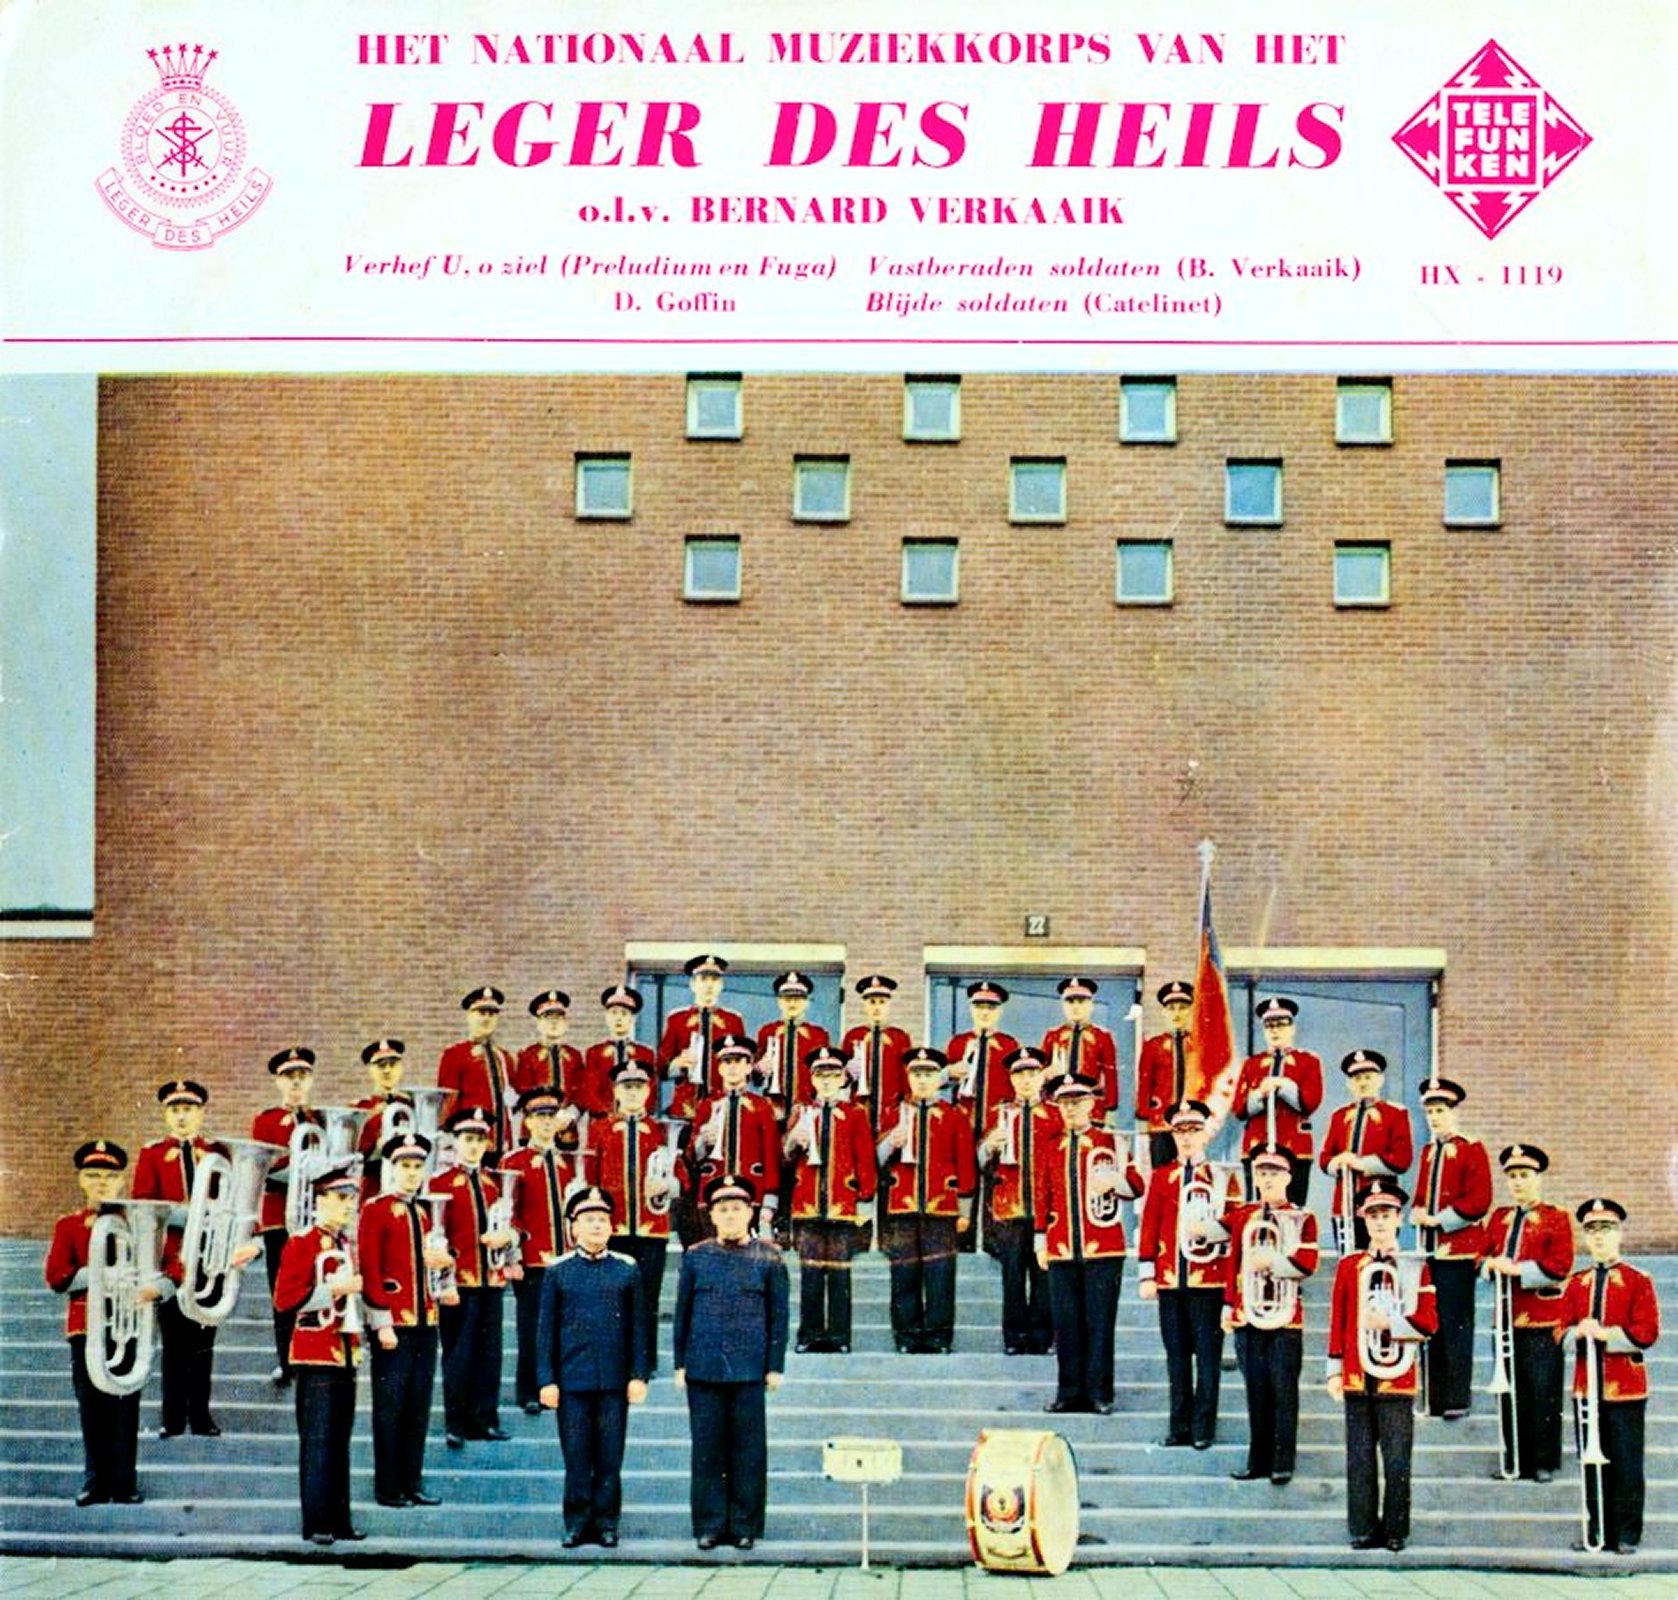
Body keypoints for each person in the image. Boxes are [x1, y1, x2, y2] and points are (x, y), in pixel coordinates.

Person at [131, 1079, 257, 1438]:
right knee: (173, 1345)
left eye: (188, 1109)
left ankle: (200, 1416)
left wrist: (249, 1241)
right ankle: (172, 1419)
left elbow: (235, 1202)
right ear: (165, 1115)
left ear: (201, 1113)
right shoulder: (153, 1154)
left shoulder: (217, 1152)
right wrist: (195, 1215)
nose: (182, 1116)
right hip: (171, 1263)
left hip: (209, 1263)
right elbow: (145, 1208)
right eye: (175, 1109)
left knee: (203, 1345)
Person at [673, 1175, 790, 1551]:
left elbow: (778, 1317)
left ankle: (744, 1525)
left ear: (749, 1212)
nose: (729, 1215)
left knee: (748, 1450)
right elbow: (682, 1313)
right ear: (712, 1215)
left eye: (736, 1208)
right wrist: (680, 1362)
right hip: (704, 1368)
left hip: (749, 1369)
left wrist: (774, 1366)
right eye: (722, 1209)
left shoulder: (769, 1257)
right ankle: (709, 1525)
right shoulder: (696, 1256)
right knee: (707, 1449)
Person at [1327, 1178, 1438, 1553]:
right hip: (1358, 1376)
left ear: (1399, 1218)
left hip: (1397, 1378)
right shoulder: (1349, 1266)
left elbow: (1429, 1322)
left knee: (1396, 1459)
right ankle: (1362, 1528)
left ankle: (1395, 1530)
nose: (1379, 1221)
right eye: (1372, 1214)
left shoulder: (1415, 1265)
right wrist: (1334, 1370)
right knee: (1359, 1458)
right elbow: (1339, 1320)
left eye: (1386, 1214)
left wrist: (1389, 1324)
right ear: (1363, 1218)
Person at [537, 1186, 651, 1549]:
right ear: (574, 1227)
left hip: (614, 1381)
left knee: (609, 1456)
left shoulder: (626, 1270)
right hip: (572, 1381)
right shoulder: (559, 1271)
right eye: (588, 1219)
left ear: (612, 1227)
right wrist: (546, 1379)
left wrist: (638, 1375)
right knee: (576, 1455)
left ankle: (606, 1523)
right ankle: (576, 1522)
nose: (597, 1225)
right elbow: (545, 1331)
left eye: (602, 1219)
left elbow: (639, 1328)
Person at [44, 1140, 149, 1506]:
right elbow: (57, 1276)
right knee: (91, 1406)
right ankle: (95, 1481)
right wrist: (103, 1274)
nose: (101, 1182)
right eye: (93, 1175)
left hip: (127, 1323)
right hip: (86, 1327)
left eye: (109, 1176)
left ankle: (125, 1482)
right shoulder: (69, 1225)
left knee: (125, 1403)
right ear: (81, 1180)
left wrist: (151, 1286)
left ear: (121, 1181)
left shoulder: (138, 1223)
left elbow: (161, 1268)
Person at [1556, 1196, 1661, 1555]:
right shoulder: (1577, 1283)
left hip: (1624, 1388)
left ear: (1619, 1233)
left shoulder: (1638, 1280)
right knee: (1591, 1461)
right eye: (1592, 1230)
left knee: (1627, 1463)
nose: (1599, 1237)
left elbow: (1647, 1331)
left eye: (1606, 1229)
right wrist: (1578, 1333)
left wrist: (1604, 1334)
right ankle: (1597, 1529)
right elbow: (1559, 1331)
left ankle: (1627, 1534)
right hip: (1587, 1387)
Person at [1033, 1075, 1144, 1414]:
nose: (1070, 1109)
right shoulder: (1050, 1145)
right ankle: (1068, 1392)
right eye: (1064, 1103)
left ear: (1091, 1104)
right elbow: (1042, 1195)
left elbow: (1137, 1186)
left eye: (1077, 1102)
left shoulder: (1110, 1141)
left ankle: (1099, 1393)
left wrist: (1115, 1181)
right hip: (1062, 1247)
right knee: (1066, 1324)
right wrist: (1040, 1241)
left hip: (1105, 1248)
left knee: (1099, 1323)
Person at [272, 1162, 365, 1546]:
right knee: (319, 1443)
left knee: (339, 1443)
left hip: (344, 1353)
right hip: (315, 1355)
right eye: (340, 1199)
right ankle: (317, 1523)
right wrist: (335, 1289)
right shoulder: (302, 1242)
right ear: (320, 1200)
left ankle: (340, 1521)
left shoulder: (344, 1244)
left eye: (351, 1200)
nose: (347, 1206)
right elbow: (284, 1299)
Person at [1138, 1099, 1237, 1449]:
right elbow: (1150, 1225)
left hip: (1209, 1282)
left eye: (1193, 1130)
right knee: (1176, 1357)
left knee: (1208, 1360)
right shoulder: (1162, 1176)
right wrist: (1147, 1273)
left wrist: (1211, 1231)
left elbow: (1234, 1228)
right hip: (1170, 1281)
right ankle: (1179, 1425)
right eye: (1180, 1131)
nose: (1186, 1137)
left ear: (1205, 1133)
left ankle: (1203, 1428)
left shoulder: (1222, 1177)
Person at [357, 1131, 448, 1510]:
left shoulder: (425, 1212)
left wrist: (445, 1266)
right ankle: (388, 1486)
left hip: (426, 1323)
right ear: (392, 1169)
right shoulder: (376, 1209)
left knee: (417, 1408)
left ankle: (412, 1482)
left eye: (417, 1166)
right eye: (405, 1166)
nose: (412, 1173)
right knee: (390, 1408)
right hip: (393, 1326)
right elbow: (370, 1268)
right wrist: (381, 1322)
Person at [1222, 1143, 1320, 1486]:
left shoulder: (1303, 1217)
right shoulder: (1244, 1216)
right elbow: (1233, 1263)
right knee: (1256, 1391)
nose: (1266, 1179)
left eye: (1274, 1173)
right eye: (1261, 1173)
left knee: (1283, 1390)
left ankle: (1282, 1462)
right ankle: (1258, 1461)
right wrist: (1228, 1305)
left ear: (1289, 1177)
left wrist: (1273, 1262)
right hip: (1248, 1314)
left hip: (1285, 1317)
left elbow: (1307, 1264)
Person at [1480, 1143, 1572, 1483]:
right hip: (1506, 1319)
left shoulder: (1555, 1217)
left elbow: (1560, 1265)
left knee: (1543, 1392)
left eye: (1525, 1175)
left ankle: (1544, 1461)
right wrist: (1490, 1265)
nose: (1518, 1182)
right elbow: (1480, 1256)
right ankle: (1514, 1458)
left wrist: (1517, 1270)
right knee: (1511, 1392)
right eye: (1513, 1176)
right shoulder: (1499, 1218)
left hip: (1542, 1322)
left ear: (1538, 1178)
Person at [876, 1046, 978, 1353]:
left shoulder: (954, 1115)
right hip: (902, 1207)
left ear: (939, 1078)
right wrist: (890, 1144)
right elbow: (875, 1160)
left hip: (941, 1208)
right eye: (916, 1074)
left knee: (940, 1276)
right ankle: (906, 1337)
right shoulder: (893, 1113)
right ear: (908, 1077)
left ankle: (938, 1337)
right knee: (904, 1275)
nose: (922, 1080)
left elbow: (966, 1165)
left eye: (929, 1074)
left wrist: (964, 1210)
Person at [586, 1060, 683, 1374]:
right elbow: (590, 1179)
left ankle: (645, 1361)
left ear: (648, 1091)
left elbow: (682, 1179)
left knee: (647, 1299)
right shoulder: (600, 1130)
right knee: (610, 1298)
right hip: (611, 1231)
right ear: (616, 1091)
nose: (632, 1093)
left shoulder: (660, 1130)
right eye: (626, 1087)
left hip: (651, 1230)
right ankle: (614, 1360)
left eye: (638, 1087)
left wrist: (668, 1184)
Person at [428, 1105, 518, 1447]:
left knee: (490, 1355)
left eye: (480, 1140)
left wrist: (507, 1237)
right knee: (459, 1355)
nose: (475, 1146)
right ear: (455, 1142)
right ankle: (456, 1422)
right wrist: (445, 1278)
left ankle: (485, 1419)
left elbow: (511, 1225)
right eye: (468, 1139)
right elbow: (435, 1237)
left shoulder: (494, 1183)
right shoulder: (441, 1184)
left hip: (491, 1281)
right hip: (458, 1285)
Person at [783, 1046, 877, 1353]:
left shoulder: (854, 1114)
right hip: (808, 1206)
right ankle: (809, 1335)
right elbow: (785, 1160)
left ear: (842, 1079)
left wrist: (864, 1201)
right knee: (810, 1274)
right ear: (812, 1079)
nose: (826, 1081)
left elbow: (865, 1160)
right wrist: (792, 1142)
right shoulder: (800, 1112)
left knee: (839, 1275)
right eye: (820, 1075)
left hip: (842, 1206)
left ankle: (839, 1336)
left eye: (833, 1075)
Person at [1410, 1077, 1491, 1418]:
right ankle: (1435, 1398)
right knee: (1433, 1324)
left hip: (1458, 1253)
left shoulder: (1471, 1148)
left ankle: (1457, 1398)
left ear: (1454, 1112)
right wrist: (1416, 1212)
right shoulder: (1429, 1152)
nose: (1434, 1118)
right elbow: (1420, 1196)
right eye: (1430, 1112)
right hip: (1429, 1253)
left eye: (1440, 1111)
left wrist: (1438, 1220)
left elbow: (1479, 1200)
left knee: (1456, 1326)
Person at [503, 1085, 586, 1413]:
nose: (547, 1122)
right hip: (533, 1261)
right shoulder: (515, 1161)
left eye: (552, 1116)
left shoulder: (568, 1163)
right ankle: (529, 1390)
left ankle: (557, 1387)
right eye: (539, 1117)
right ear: (527, 1122)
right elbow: (509, 1212)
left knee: (564, 1328)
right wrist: (513, 1256)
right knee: (532, 1329)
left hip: (566, 1259)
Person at [251, 1045, 324, 1384]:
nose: (296, 1083)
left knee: (313, 1286)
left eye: (302, 1076)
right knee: (282, 1290)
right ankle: (286, 1359)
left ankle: (311, 1353)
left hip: (314, 1219)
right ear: (278, 1082)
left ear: (310, 1080)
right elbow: (262, 1169)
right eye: (289, 1077)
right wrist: (301, 1169)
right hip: (280, 1220)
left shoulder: (320, 1120)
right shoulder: (266, 1121)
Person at [980, 1047, 1059, 1355]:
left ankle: (1041, 1337)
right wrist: (989, 1145)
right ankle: (1014, 1338)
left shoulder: (1054, 1115)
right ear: (1011, 1079)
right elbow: (979, 1160)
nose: (1026, 1080)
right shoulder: (997, 1113)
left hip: (1045, 1209)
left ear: (1041, 1077)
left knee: (1044, 1277)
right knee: (1012, 1276)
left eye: (1032, 1073)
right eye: (1020, 1074)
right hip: (1009, 1207)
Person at [1318, 1048, 1413, 1254]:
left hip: (1380, 1205)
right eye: (1357, 1078)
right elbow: (1325, 1158)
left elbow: (1402, 1159)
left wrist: (1362, 1164)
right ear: (1349, 1083)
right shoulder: (1339, 1116)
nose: (1362, 1083)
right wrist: (1338, 1161)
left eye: (1368, 1077)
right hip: (1344, 1205)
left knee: (1381, 1260)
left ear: (1380, 1080)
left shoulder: (1395, 1114)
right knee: (1349, 1262)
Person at [1232, 997, 1323, 1207]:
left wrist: (1284, 1086)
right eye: (1269, 1026)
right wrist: (1260, 1094)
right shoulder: (1252, 1064)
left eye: (1281, 1025)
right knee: (1257, 1207)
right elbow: (1238, 1108)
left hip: (1295, 1148)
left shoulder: (1308, 1061)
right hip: (1257, 1147)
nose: (1275, 1031)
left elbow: (1310, 1102)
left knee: (1293, 1207)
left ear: (1292, 1028)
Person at [690, 1034, 782, 1236]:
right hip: (712, 1193)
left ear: (749, 1067)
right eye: (726, 1062)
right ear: (720, 1068)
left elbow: (771, 1155)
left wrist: (769, 1202)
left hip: (751, 1194)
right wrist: (702, 1142)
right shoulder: (706, 1106)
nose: (732, 1067)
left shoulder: (761, 1106)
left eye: (738, 1061)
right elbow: (691, 1157)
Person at [659, 954, 746, 1121]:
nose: (709, 985)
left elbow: (743, 1063)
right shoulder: (677, 1019)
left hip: (722, 1104)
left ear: (721, 985)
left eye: (714, 980)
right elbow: (661, 1066)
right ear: (693, 984)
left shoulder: (733, 1020)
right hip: (685, 1106)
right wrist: (676, 1064)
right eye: (703, 979)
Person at [437, 985, 516, 1154]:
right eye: (481, 1013)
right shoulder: (455, 1054)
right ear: (469, 1016)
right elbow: (448, 1102)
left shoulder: (504, 1057)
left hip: (502, 1144)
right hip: (471, 1144)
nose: (486, 1018)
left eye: (492, 1014)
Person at [945, 980, 1020, 1145]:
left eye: (991, 1007)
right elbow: (937, 1083)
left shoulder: (1009, 1045)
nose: (985, 1012)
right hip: (962, 1124)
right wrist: (949, 1072)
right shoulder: (957, 1043)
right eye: (979, 1007)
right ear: (971, 1009)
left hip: (997, 1125)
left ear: (1000, 1011)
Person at [839, 973, 912, 1138]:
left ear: (889, 1005)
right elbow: (840, 1079)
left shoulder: (900, 1038)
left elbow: (906, 1080)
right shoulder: (853, 1036)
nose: (877, 1007)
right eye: (872, 1002)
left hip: (891, 1113)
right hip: (859, 1112)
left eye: (882, 1002)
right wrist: (848, 1072)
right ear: (864, 1005)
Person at [1135, 980, 1199, 1170]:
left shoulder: (1199, 1045)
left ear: (1191, 1010)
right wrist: (1143, 1118)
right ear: (1164, 1012)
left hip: (1193, 1123)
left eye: (1182, 1008)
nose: (1177, 1013)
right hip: (1161, 1123)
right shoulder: (1153, 1046)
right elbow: (1145, 1084)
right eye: (1171, 1008)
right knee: (1161, 1173)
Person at [754, 968, 831, 1117]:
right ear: (779, 1001)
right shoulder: (767, 1031)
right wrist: (758, 1069)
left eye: (798, 998)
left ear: (806, 1002)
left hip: (807, 1107)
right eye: (787, 998)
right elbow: (755, 1077)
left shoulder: (819, 1035)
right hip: (773, 1108)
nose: (792, 1003)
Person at [1040, 976, 1119, 1121]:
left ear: (1091, 1004)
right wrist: (1047, 1074)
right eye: (1070, 1002)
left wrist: (1110, 1111)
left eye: (1081, 1001)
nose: (1075, 1007)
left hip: (1091, 1109)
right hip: (1058, 1107)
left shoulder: (1102, 1037)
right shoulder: (1053, 1036)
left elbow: (1110, 1077)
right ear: (1063, 1005)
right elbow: (1039, 1074)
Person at [581, 983, 655, 1120]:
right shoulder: (595, 1053)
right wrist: (609, 1115)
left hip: (636, 1119)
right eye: (614, 1013)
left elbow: (650, 1091)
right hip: (602, 1120)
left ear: (633, 1019)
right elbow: (590, 1091)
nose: (618, 1018)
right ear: (606, 1017)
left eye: (624, 1013)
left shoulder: (645, 1053)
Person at [352, 1038, 412, 1202]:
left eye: (393, 1065)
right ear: (370, 1070)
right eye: (381, 1066)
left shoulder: (410, 1104)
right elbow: (354, 1153)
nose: (387, 1070)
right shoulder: (361, 1108)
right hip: (374, 1183)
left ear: (401, 1068)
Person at [516, 988, 586, 1105]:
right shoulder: (528, 1055)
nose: (554, 1022)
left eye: (558, 1017)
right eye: (548, 1017)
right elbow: (523, 1090)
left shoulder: (574, 1056)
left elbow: (581, 1091)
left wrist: (572, 1112)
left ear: (565, 1023)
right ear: (538, 1023)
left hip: (568, 1114)